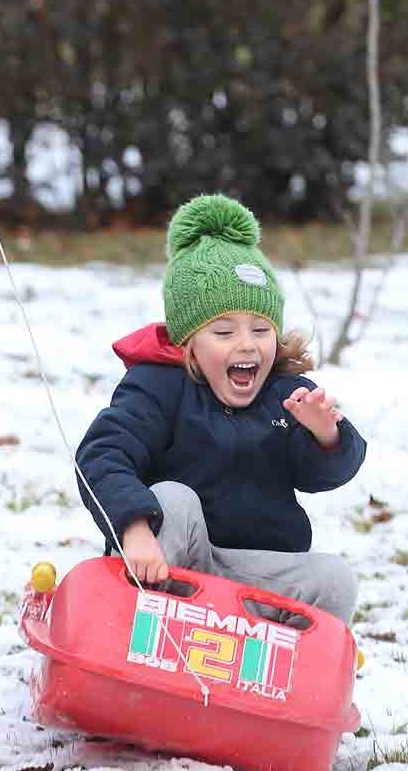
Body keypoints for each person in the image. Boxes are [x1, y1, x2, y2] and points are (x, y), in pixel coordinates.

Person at [74, 194, 365, 624]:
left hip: (252, 582)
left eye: (262, 329)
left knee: (337, 579)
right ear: (187, 341)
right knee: (175, 498)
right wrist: (134, 530)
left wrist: (327, 436)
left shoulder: (288, 395)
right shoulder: (157, 386)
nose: (247, 344)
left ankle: (290, 675)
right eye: (225, 331)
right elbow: (102, 454)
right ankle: (134, 628)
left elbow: (323, 474)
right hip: (175, 568)